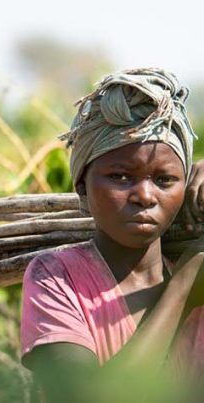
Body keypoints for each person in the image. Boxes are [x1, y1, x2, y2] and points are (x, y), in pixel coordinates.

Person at [20, 68, 204, 402]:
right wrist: (183, 288)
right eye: (120, 177)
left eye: (164, 180)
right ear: (82, 187)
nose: (145, 196)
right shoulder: (56, 277)